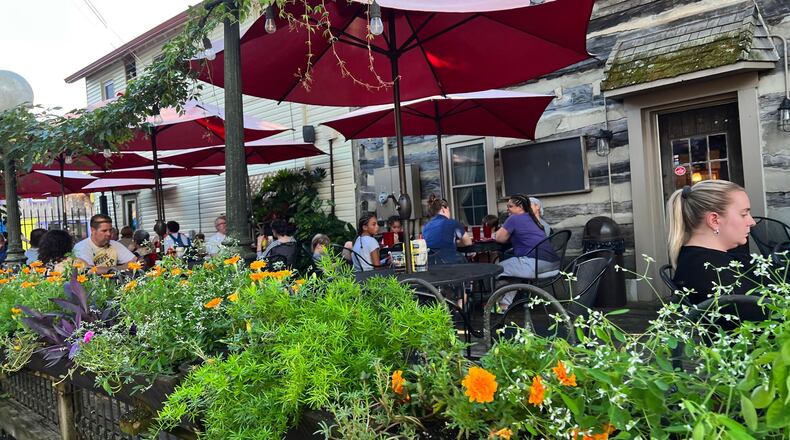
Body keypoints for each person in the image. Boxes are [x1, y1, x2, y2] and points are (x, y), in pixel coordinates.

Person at [668, 181, 758, 304]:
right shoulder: (711, 272)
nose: (752, 222)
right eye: (744, 214)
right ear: (714, 220)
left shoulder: (697, 259)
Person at [495, 194, 561, 309]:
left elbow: (499, 238)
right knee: (514, 271)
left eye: (510, 206)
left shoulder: (514, 218)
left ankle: (491, 304)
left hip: (533, 264)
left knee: (495, 270)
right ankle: (504, 304)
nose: (507, 209)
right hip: (553, 265)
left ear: (520, 207)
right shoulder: (534, 219)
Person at [73, 214, 137, 273]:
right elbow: (90, 271)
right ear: (93, 230)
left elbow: (135, 262)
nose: (109, 234)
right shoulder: (81, 247)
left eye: (110, 230)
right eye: (104, 231)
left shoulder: (114, 244)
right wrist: (122, 268)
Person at [422, 194, 472, 265]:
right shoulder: (452, 222)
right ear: (443, 209)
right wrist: (455, 243)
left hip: (430, 263)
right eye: (448, 210)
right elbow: (468, 242)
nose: (449, 213)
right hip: (449, 263)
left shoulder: (425, 227)